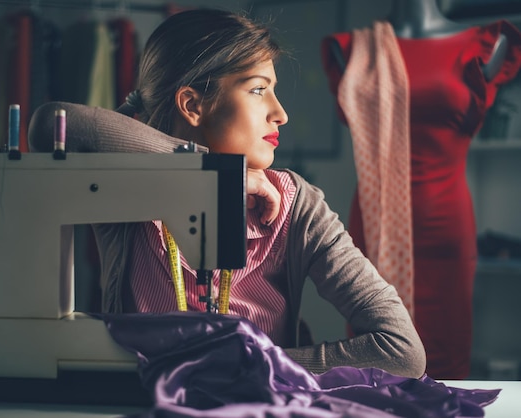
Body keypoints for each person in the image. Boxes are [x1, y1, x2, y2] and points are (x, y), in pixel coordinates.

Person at [30, 7, 426, 379]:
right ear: (192, 105)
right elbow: (52, 125)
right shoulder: (121, 189)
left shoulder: (296, 206)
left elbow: (402, 351)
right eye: (258, 90)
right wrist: (212, 175)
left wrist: (248, 365)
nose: (280, 113)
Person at [321, 0, 521, 379]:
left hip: (445, 226)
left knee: (446, 355)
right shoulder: (354, 49)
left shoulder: (486, 44)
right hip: (373, 224)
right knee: (375, 356)